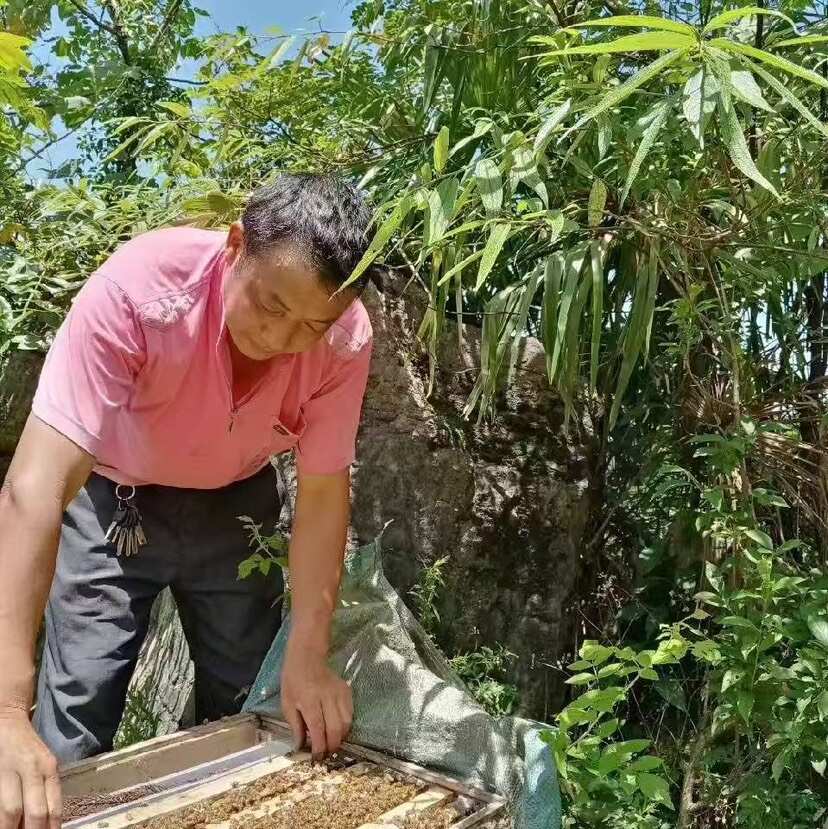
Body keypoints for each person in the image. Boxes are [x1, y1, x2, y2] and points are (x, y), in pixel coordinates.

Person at [0, 173, 376, 829]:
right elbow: (33, 488)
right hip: (112, 500)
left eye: (312, 323)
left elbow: (320, 492)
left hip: (237, 505)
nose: (284, 337)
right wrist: (4, 711)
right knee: (76, 710)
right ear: (235, 246)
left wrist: (309, 656)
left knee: (249, 713)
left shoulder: (345, 338)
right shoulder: (136, 291)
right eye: (270, 304)